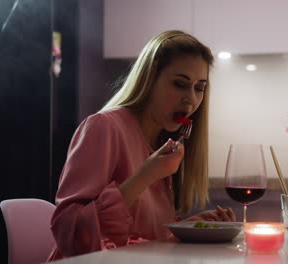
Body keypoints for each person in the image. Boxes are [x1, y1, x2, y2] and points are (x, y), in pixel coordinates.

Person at [48, 30, 235, 261]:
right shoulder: (104, 127)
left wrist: (188, 227)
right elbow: (70, 232)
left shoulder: (160, 143)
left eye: (199, 88)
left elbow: (137, 236)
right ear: (150, 77)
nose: (191, 99)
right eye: (179, 84)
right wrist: (144, 176)